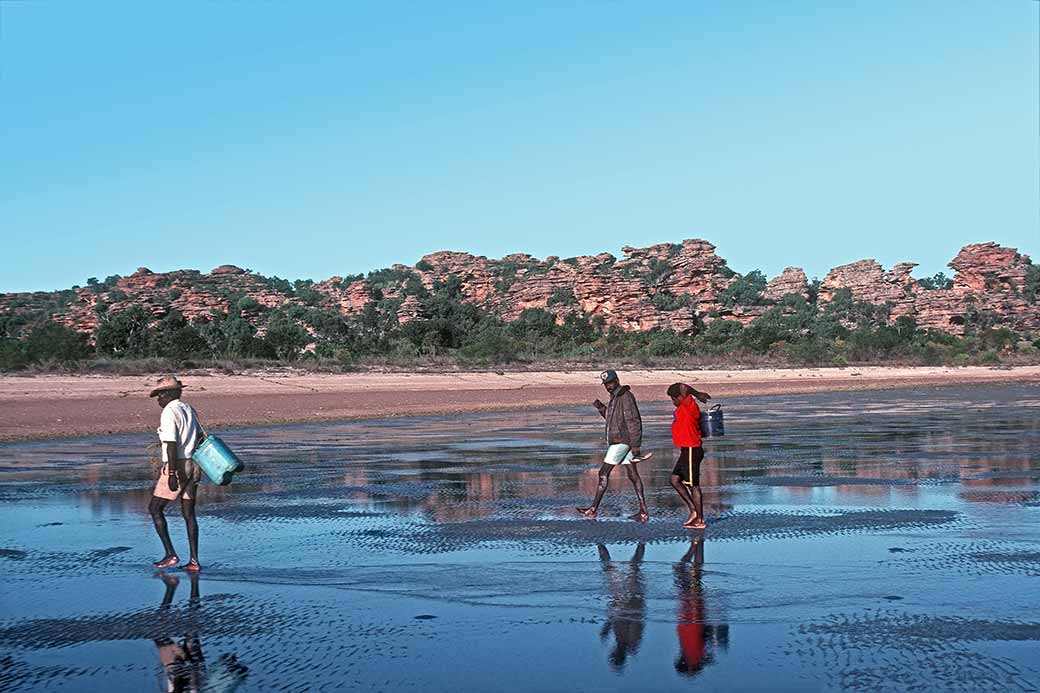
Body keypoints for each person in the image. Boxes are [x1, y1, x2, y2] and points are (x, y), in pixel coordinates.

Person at [148, 375, 205, 572]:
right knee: (189, 514)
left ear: (169, 394)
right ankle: (194, 561)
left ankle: (170, 554)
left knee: (155, 509)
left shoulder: (169, 411)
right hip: (195, 464)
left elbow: (171, 445)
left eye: (160, 395)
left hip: (178, 465)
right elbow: (199, 438)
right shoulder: (189, 409)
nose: (158, 399)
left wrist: (172, 473)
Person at [577, 369, 650, 522]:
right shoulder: (615, 397)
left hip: (621, 442)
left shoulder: (625, 396)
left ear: (616, 380)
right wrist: (601, 408)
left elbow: (633, 420)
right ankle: (643, 511)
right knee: (633, 475)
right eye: (606, 384)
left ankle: (593, 509)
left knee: (603, 473)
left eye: (610, 383)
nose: (608, 386)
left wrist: (636, 445)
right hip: (622, 440)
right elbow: (611, 420)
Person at [667, 382, 711, 529]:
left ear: (680, 397)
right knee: (674, 480)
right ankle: (693, 510)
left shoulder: (688, 404)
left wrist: (697, 394)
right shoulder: (681, 408)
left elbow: (683, 386)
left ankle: (700, 520)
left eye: (674, 399)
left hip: (693, 449)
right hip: (686, 450)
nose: (673, 402)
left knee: (694, 486)